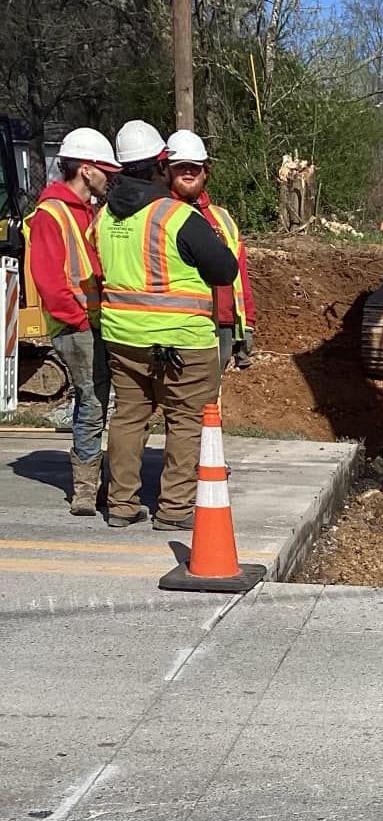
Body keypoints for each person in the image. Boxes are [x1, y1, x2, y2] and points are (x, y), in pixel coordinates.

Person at [94, 119, 238, 530]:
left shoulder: (104, 218)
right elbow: (224, 269)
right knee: (186, 419)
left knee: (128, 417)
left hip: (123, 338)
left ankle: (121, 504)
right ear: (161, 163)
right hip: (182, 342)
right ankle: (174, 509)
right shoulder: (177, 217)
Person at [26, 129, 120, 515]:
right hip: (77, 326)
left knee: (98, 400)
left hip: (95, 322)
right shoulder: (52, 213)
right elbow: (49, 278)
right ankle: (85, 489)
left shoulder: (89, 211)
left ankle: (96, 484)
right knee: (93, 401)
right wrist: (78, 321)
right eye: (104, 170)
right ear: (85, 169)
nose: (109, 177)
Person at [164, 129, 256, 372]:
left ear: (206, 171)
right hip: (177, 326)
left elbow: (240, 273)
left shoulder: (221, 218)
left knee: (211, 399)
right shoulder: (159, 215)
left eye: (195, 166)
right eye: (180, 166)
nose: (188, 171)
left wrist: (247, 324)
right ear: (167, 170)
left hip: (221, 323)